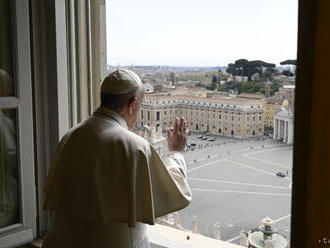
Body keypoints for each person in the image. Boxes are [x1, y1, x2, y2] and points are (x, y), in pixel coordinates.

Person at [42, 69, 192, 248]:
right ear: (133, 104)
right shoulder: (134, 147)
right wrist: (177, 152)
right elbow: (174, 192)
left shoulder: (70, 136)